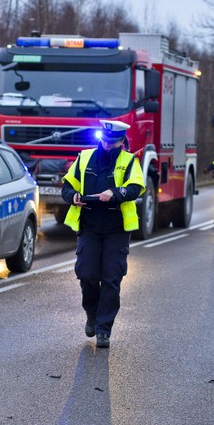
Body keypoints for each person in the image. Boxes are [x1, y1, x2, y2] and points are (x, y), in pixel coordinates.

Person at [61, 120, 145, 349]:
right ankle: (92, 313)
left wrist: (115, 192)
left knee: (111, 279)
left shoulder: (129, 161)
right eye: (104, 141)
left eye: (112, 143)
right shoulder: (85, 157)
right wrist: (73, 196)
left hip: (116, 229)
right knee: (86, 274)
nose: (107, 146)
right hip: (89, 225)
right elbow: (67, 186)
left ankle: (103, 329)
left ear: (121, 142)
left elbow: (136, 187)